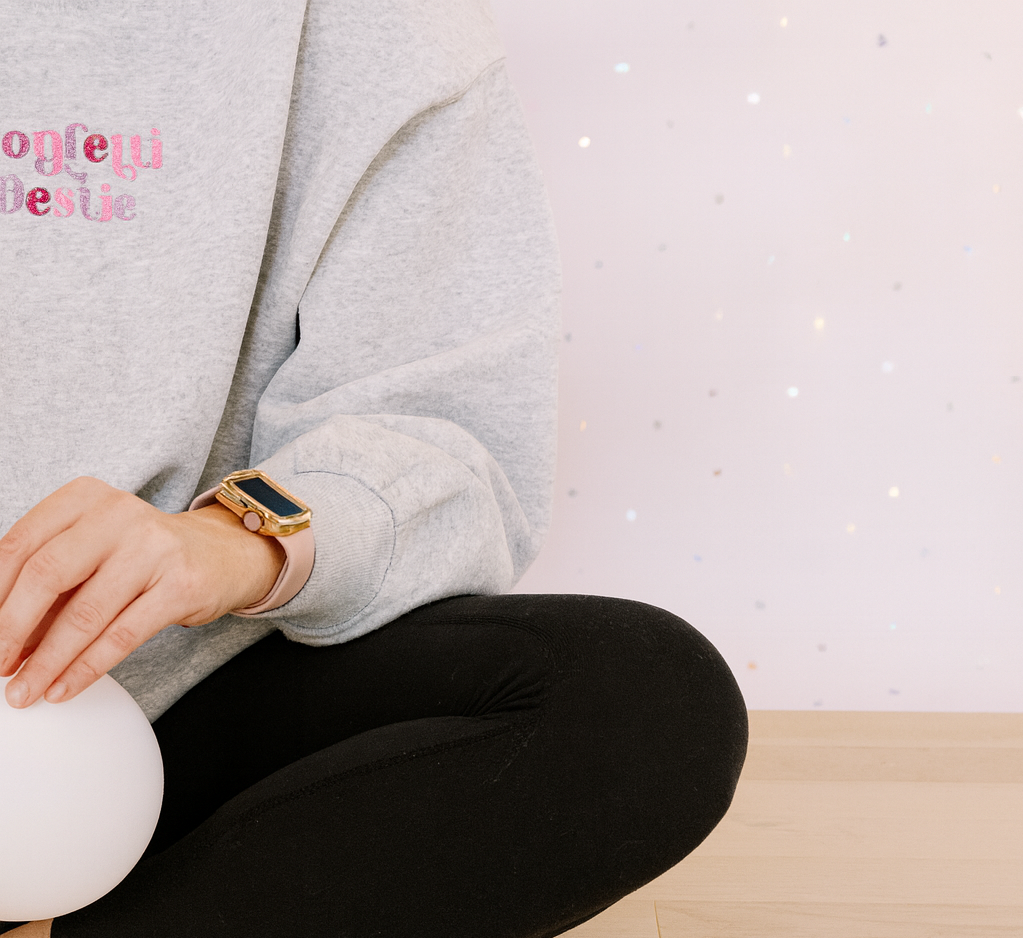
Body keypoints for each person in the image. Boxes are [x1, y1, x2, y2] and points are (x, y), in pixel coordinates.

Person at [0, 1, 749, 935]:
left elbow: (442, 427)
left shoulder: (373, 27)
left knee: (638, 703)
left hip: (158, 712)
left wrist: (227, 539)